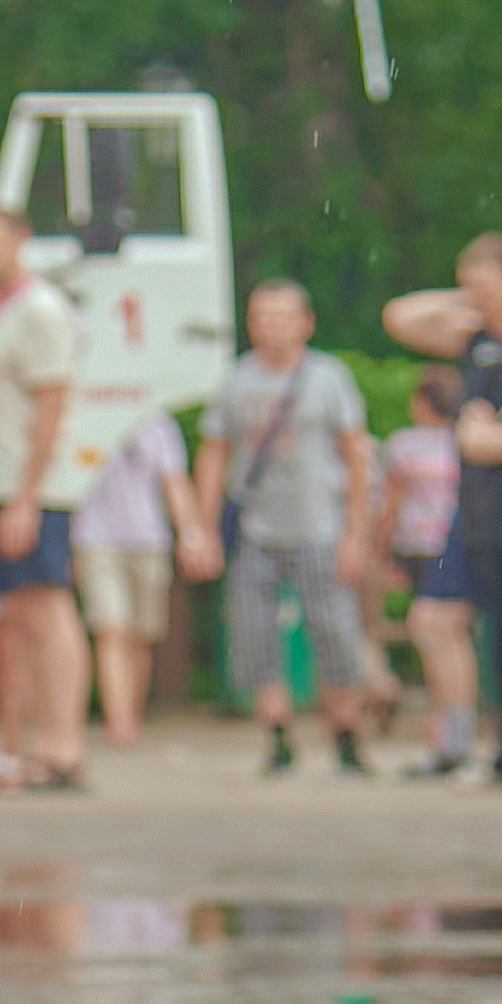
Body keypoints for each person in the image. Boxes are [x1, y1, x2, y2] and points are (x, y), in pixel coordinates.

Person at [191, 279, 372, 775]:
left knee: (333, 631)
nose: (271, 327)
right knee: (254, 635)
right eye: (262, 316)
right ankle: (277, 734)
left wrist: (356, 531)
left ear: (305, 323)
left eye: (282, 316)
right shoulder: (237, 380)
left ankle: (345, 733)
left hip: (318, 527)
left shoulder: (328, 377)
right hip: (256, 529)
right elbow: (214, 450)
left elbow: (355, 455)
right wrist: (202, 527)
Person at [384, 234, 502, 785]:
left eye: (485, 282)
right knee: (434, 620)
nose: (475, 292)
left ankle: (501, 747)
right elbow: (399, 317)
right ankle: (456, 746)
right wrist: (469, 299)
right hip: (473, 513)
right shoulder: (475, 342)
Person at [0, 204, 88, 790]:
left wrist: (27, 495)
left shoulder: (40, 310)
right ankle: (43, 741)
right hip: (2, 482)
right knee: (19, 614)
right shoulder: (5, 313)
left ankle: (65, 745)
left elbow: (51, 404)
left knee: (46, 607)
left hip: (32, 486)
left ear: (21, 240)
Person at [73, 410, 207, 749]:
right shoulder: (85, 417)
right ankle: (119, 723)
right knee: (111, 628)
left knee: (141, 636)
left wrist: (190, 534)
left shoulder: (159, 424)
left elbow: (174, 482)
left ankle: (130, 714)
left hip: (149, 539)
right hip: (95, 539)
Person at [378, 366, 476, 779]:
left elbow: (389, 507)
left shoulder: (406, 445)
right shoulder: (469, 440)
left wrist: (381, 553)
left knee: (433, 630)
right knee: (452, 634)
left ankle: (452, 743)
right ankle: (455, 738)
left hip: (429, 548)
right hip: (467, 546)